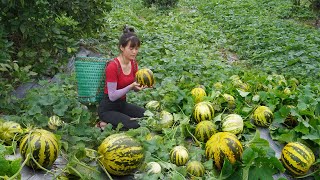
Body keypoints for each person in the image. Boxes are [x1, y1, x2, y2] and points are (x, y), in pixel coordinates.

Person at [97, 26, 147, 131]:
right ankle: (104, 124)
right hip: (108, 108)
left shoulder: (133, 64)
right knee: (134, 125)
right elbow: (112, 96)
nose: (134, 52)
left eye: (136, 49)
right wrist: (130, 86)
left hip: (122, 105)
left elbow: (133, 86)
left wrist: (138, 87)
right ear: (122, 48)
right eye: (131, 48)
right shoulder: (113, 66)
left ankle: (116, 122)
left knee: (147, 116)